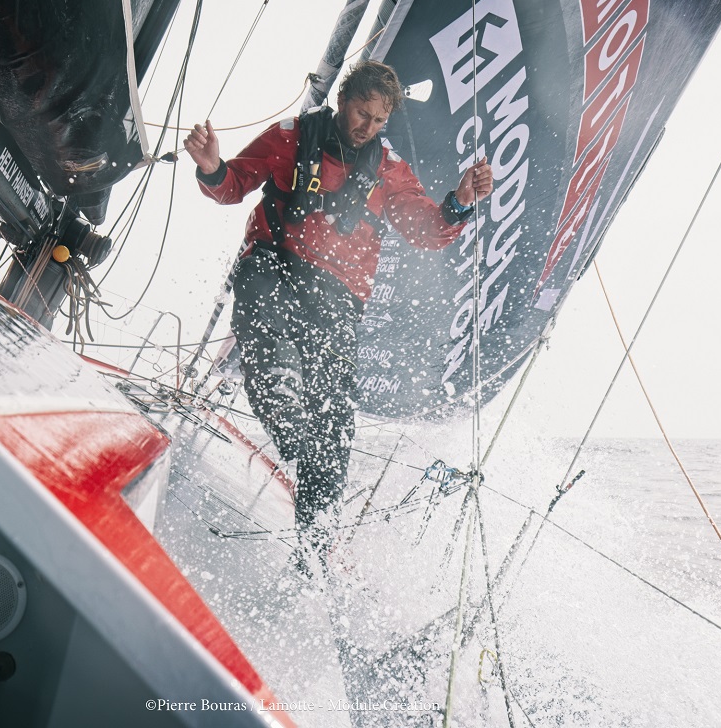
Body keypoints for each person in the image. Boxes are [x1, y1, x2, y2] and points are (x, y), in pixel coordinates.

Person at [184, 60, 492, 570]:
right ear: (343, 101)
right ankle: (286, 414)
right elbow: (232, 185)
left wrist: (459, 202)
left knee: (333, 423)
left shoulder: (389, 169)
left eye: (377, 120)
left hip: (336, 297)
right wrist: (212, 167)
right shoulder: (290, 137)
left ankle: (316, 543)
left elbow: (426, 230)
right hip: (274, 265)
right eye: (361, 113)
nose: (366, 127)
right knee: (263, 326)